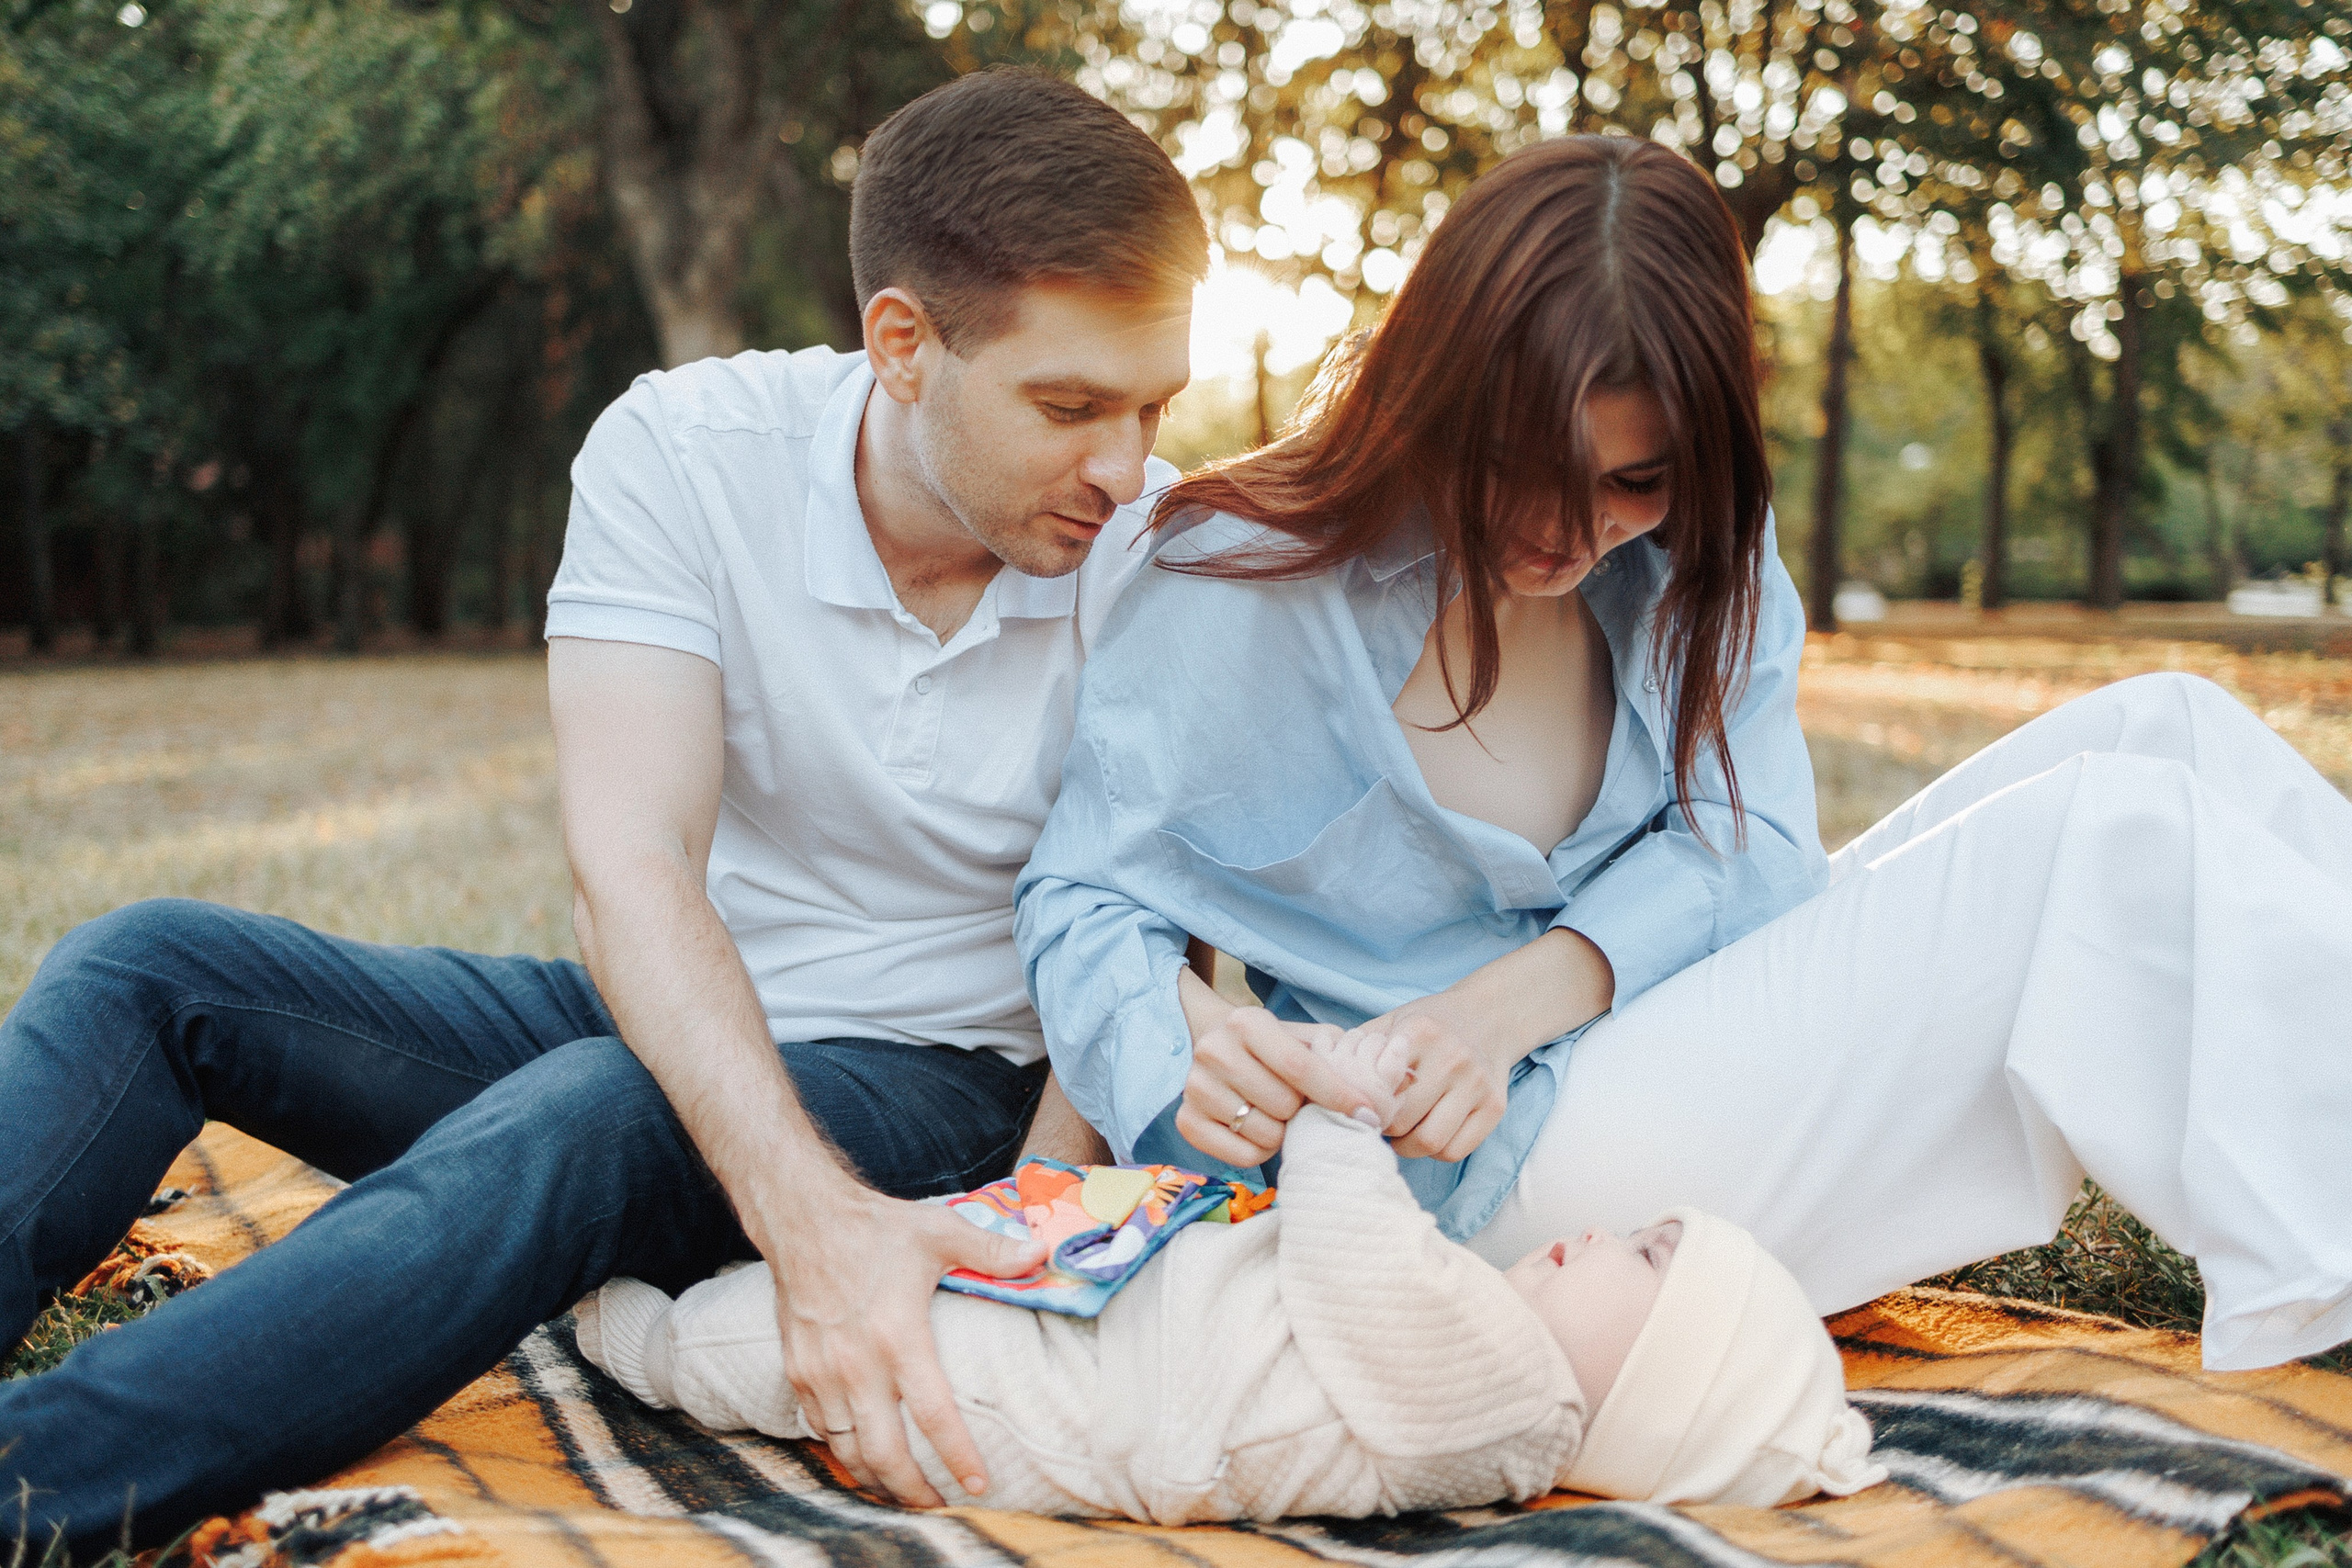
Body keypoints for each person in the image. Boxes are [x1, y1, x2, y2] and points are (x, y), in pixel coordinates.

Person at [0, 69, 1291, 1553]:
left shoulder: (1161, 562)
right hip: (679, 1012)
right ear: (904, 346)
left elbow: (1145, 946)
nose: (1125, 472)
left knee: (594, 1116)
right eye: (1070, 408)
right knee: (150, 967)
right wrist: (806, 1227)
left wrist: (1018, 1217)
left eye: (1152, 409)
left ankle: (35, 1484)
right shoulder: (686, 452)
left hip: (950, 1081)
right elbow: (631, 863)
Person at [1014, 133, 2352, 1377]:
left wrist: (1506, 1007)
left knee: (2173, 722)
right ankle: (2325, 1278)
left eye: (1630, 478)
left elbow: (1762, 852)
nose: (1564, 527)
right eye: (1515, 460)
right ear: (1430, 387)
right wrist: (1185, 1042)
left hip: (1642, 1044)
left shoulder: (1697, 552)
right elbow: (1082, 896)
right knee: (2110, 844)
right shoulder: (1236, 580)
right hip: (1479, 1183)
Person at [573, 1032, 1886, 1520]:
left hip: (1055, 1409)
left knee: (773, 1354)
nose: (1604, 1235)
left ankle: (606, 1330)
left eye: (1648, 1258)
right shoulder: (1497, 1368)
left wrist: (1341, 1108)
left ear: (1654, 1386)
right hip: (1090, 1332)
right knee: (872, 1276)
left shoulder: (1507, 1405)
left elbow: (1346, 1249)